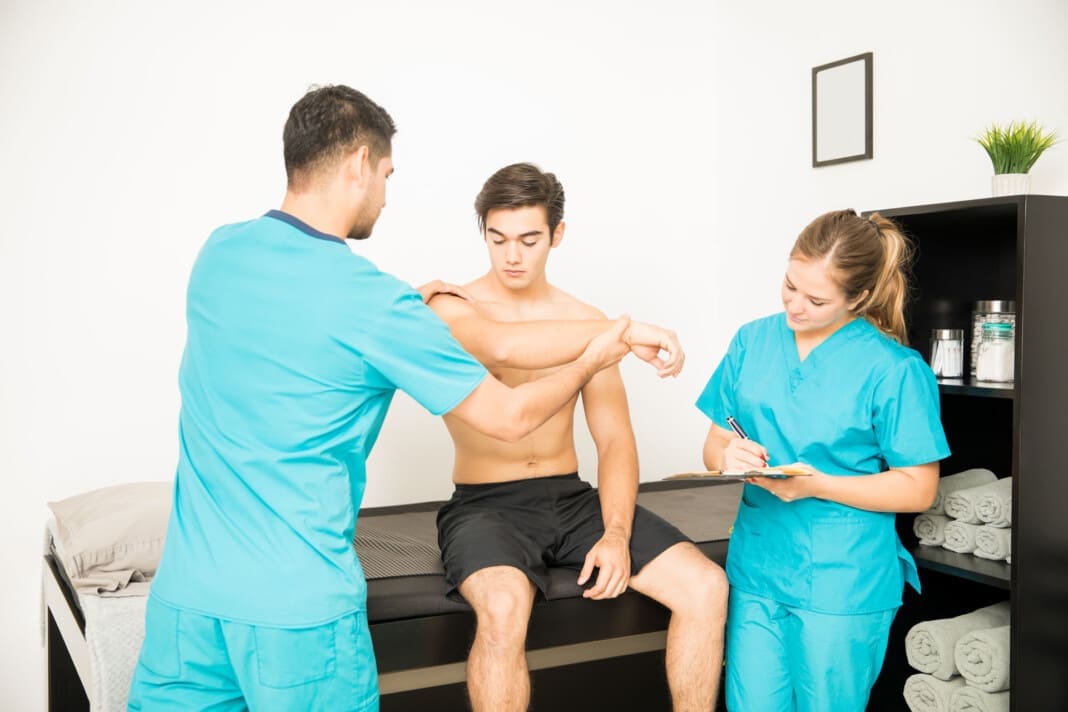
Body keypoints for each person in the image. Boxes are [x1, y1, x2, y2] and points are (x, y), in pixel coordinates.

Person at [127, 87, 684, 711]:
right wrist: (595, 354)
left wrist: (404, 318)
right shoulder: (373, 302)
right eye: (387, 175)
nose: (387, 195)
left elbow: (302, 331)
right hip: (296, 611)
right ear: (359, 164)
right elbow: (509, 414)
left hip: (189, 600)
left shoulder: (219, 252)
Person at [428, 163, 728, 712]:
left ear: (556, 235)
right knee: (501, 607)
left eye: (528, 239)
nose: (511, 255)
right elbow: (501, 347)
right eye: (497, 239)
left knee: (706, 587)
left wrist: (615, 533)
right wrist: (622, 333)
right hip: (485, 505)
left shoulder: (584, 319)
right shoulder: (451, 308)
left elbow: (614, 440)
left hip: (571, 499)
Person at [696, 209, 951, 711]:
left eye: (816, 299)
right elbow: (712, 445)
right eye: (790, 286)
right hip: (759, 568)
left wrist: (818, 485)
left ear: (858, 297)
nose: (795, 305)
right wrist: (728, 454)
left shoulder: (894, 370)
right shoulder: (752, 341)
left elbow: (918, 488)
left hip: (843, 579)